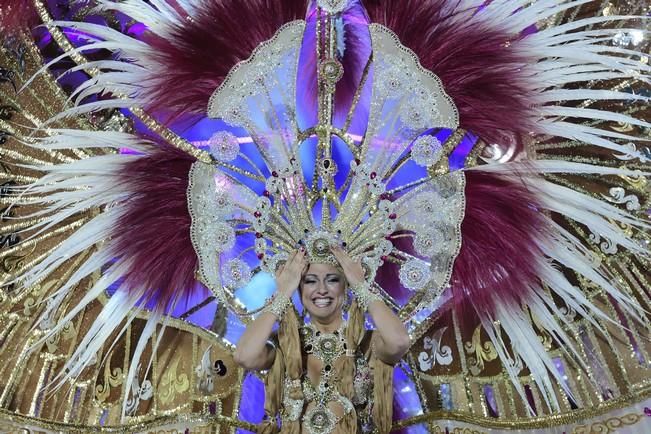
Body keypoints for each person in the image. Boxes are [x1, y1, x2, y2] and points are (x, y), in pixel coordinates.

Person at [234, 246, 410, 433]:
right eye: (310, 281)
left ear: (346, 285)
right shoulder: (285, 344)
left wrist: (361, 287)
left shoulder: (366, 344)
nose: (322, 290)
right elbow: (244, 356)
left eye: (332, 280)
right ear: (299, 288)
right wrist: (282, 295)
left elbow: (399, 341)